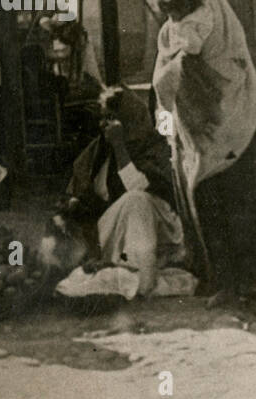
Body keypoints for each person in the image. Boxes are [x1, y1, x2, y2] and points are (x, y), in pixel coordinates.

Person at [147, 0, 256, 311]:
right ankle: (226, 276)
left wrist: (165, 85)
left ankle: (243, 281)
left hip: (226, 122)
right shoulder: (191, 19)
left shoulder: (202, 21)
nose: (174, 17)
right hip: (224, 122)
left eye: (177, 10)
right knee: (221, 201)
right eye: (170, 12)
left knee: (228, 203)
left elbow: (175, 71)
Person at [59, 86, 184, 296]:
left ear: (130, 119)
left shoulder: (154, 146)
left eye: (112, 118)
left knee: (136, 200)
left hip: (156, 228)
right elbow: (82, 195)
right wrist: (73, 205)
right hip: (116, 236)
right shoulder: (96, 152)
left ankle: (144, 278)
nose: (104, 124)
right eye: (103, 118)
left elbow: (140, 189)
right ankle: (127, 269)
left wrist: (120, 147)